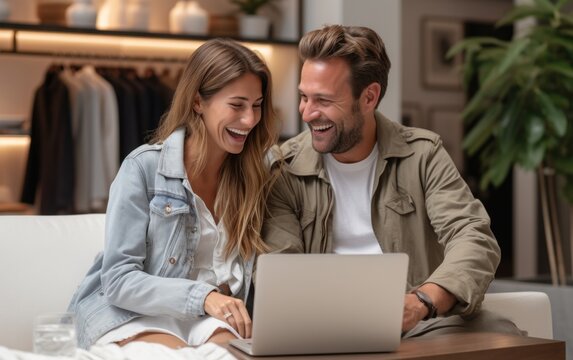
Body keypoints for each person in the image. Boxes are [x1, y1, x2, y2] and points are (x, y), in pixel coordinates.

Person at [262, 25, 522, 337]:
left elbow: (473, 237)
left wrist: (421, 302)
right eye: (303, 97)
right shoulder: (283, 168)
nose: (306, 113)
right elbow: (282, 271)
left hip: (419, 323)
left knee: (498, 332)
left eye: (324, 100)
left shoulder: (423, 155)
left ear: (369, 97)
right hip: (322, 324)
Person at [68, 38, 278, 349]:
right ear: (198, 102)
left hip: (210, 320)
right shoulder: (143, 168)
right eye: (237, 105)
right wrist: (204, 297)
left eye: (257, 106)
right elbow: (118, 280)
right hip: (132, 314)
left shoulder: (258, 173)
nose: (249, 120)